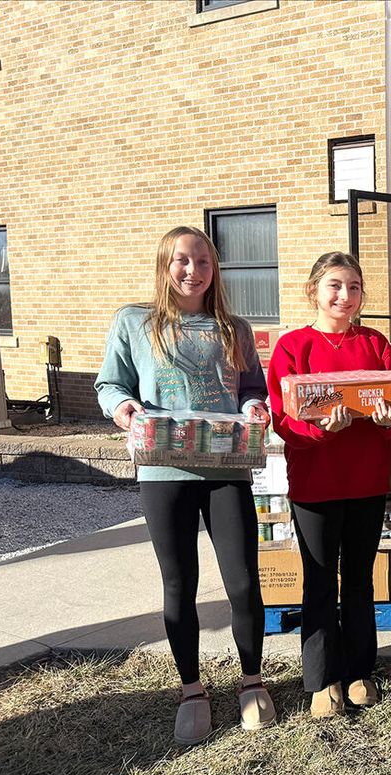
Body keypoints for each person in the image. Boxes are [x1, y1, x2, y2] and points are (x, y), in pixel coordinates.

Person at [96, 226, 275, 745]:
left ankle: (251, 680)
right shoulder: (135, 322)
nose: (192, 270)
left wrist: (253, 408)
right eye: (181, 260)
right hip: (163, 469)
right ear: (164, 265)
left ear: (214, 267)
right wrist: (122, 408)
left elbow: (250, 388)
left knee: (243, 581)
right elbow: (111, 383)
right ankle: (192, 689)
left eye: (202, 260)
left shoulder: (234, 329)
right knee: (180, 583)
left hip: (226, 469)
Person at [267, 252, 391, 718]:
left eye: (353, 287)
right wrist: (320, 431)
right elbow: (283, 422)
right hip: (315, 483)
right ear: (314, 291)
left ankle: (360, 670)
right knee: (320, 580)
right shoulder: (293, 348)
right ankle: (322, 678)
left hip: (367, 480)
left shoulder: (375, 343)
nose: (344, 296)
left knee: (361, 578)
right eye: (334, 286)